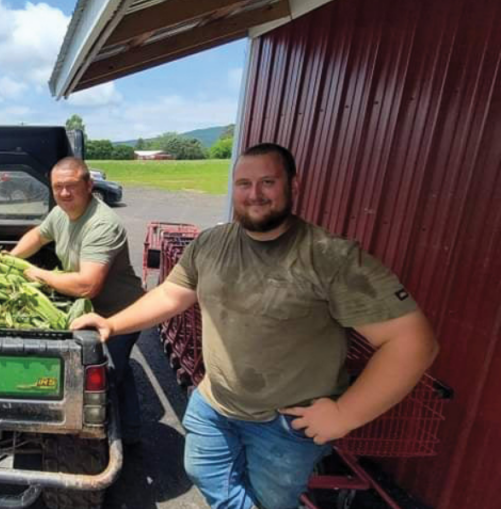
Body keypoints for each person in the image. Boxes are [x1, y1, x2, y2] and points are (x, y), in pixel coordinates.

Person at [71, 143, 439, 509]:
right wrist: (111, 324)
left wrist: (346, 415)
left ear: (295, 185)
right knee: (201, 471)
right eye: (244, 183)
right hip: (214, 402)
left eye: (267, 182)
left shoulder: (330, 257)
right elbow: (170, 296)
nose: (254, 194)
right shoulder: (212, 244)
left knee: (271, 502)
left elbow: (412, 343)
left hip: (285, 425)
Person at [9, 157, 146, 442]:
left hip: (119, 314)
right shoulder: (61, 213)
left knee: (107, 374)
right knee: (119, 371)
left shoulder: (101, 224)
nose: (64, 193)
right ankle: (133, 428)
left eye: (71, 186)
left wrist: (37, 274)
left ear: (89, 185)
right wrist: (10, 260)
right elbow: (38, 235)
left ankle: (115, 439)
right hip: (91, 310)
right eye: (58, 187)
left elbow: (87, 285)